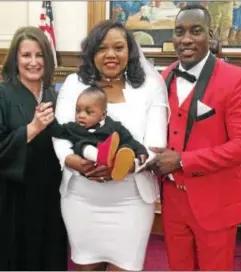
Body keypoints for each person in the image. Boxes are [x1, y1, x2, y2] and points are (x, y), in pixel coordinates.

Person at [148, 4, 241, 271]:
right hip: (173, 201)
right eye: (179, 32)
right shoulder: (164, 77)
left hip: (215, 201)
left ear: (210, 36)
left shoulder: (237, 79)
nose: (185, 39)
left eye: (195, 31)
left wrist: (183, 161)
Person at [53, 20, 168, 271]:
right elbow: (60, 132)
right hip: (81, 199)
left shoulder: (151, 86)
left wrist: (124, 167)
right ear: (92, 52)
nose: (110, 55)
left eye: (118, 47)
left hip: (132, 201)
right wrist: (72, 161)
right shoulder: (74, 84)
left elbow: (156, 144)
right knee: (86, 266)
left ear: (130, 51)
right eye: (102, 48)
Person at [0, 26, 67, 271]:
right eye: (26, 55)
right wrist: (31, 129)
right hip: (11, 201)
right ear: (15, 58)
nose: (33, 62)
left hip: (49, 198)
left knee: (48, 255)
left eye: (39, 55)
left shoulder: (57, 98)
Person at [48, 85, 149, 181]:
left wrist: (141, 152)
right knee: (82, 145)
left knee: (126, 146)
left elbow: (130, 140)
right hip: (90, 164)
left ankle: (120, 166)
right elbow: (58, 131)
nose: (81, 116)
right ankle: (101, 156)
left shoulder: (114, 126)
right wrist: (50, 120)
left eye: (89, 112)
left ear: (103, 114)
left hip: (113, 159)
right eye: (78, 111)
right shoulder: (73, 128)